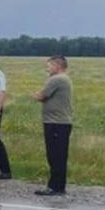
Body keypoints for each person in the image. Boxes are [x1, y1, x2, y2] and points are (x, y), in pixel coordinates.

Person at [32, 55, 73, 196]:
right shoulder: (64, 78)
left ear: (57, 66)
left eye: (49, 65)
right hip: (60, 122)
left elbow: (42, 96)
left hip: (56, 122)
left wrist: (36, 94)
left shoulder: (56, 79)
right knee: (60, 155)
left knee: (55, 155)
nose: (47, 68)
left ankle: (54, 186)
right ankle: (59, 186)